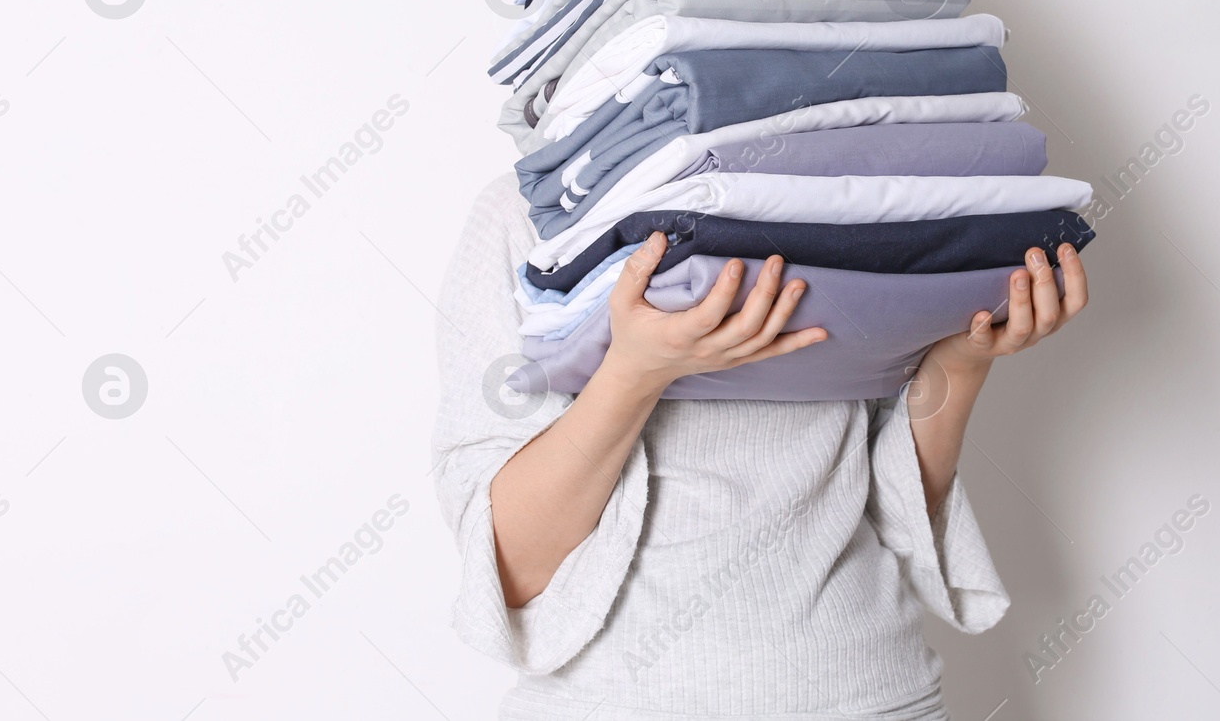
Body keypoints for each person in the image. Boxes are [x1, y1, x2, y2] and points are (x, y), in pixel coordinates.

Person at [433, 174, 1088, 720]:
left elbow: (894, 506)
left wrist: (962, 359)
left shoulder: (857, 188)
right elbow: (510, 564)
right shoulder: (531, 219)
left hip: (868, 695)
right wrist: (635, 371)